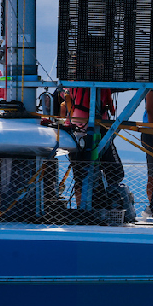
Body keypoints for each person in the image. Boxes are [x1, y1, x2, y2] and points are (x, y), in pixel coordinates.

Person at [64, 86, 130, 219]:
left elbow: (65, 99)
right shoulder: (101, 87)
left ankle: (83, 210)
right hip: (97, 131)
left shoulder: (71, 87)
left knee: (81, 176)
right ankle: (97, 208)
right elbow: (112, 107)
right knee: (114, 172)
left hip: (77, 132)